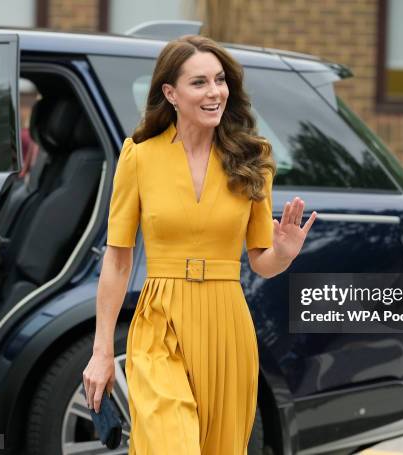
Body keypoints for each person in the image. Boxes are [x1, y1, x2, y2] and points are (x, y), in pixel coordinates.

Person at [83, 34, 317, 454]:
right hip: (160, 321)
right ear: (170, 93)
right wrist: (101, 354)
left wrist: (283, 252)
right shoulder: (138, 156)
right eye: (199, 83)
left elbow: (261, 262)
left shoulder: (253, 158)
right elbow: (117, 261)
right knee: (170, 444)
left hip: (227, 323)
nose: (215, 92)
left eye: (220, 80)